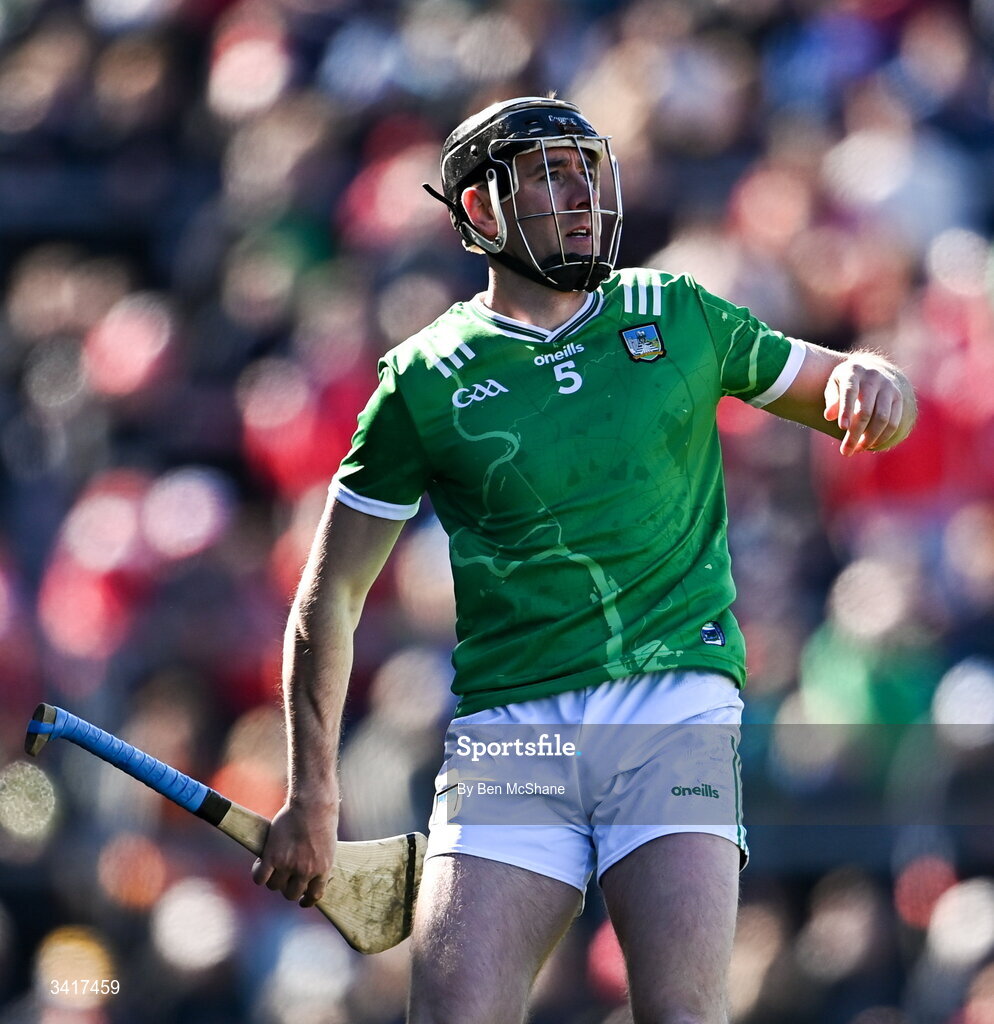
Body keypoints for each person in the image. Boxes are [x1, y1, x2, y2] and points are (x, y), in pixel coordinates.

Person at [252, 96, 917, 1023]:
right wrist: (313, 791)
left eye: (585, 169)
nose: (580, 193)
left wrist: (870, 375)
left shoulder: (675, 311)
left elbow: (839, 388)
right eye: (547, 175)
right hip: (511, 731)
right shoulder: (423, 377)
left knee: (682, 1014)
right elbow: (330, 599)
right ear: (480, 211)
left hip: (672, 707)